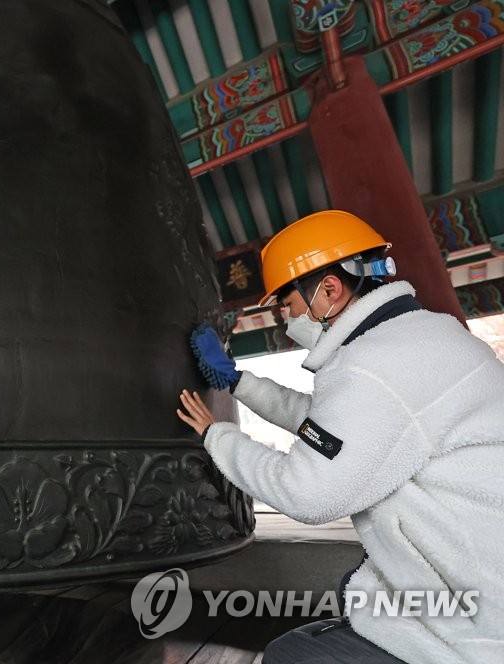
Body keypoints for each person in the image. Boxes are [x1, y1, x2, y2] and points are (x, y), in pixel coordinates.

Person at [179, 210, 504, 664]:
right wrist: (239, 383)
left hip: (476, 624)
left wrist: (218, 437)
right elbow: (336, 427)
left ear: (329, 290)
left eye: (286, 306)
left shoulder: (370, 368)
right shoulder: (424, 339)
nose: (284, 320)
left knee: (290, 655)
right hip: (480, 581)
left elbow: (308, 494)